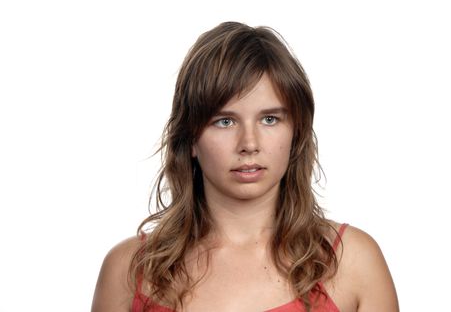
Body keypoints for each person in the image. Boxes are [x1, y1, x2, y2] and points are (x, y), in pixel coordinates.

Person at [91, 21, 399, 312]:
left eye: (270, 119)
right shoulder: (127, 271)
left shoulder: (353, 263)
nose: (249, 143)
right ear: (191, 138)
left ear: (297, 131)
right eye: (224, 121)